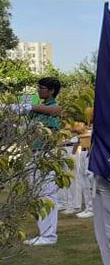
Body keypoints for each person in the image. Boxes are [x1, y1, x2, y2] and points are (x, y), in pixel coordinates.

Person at [24, 77, 63, 246]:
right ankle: (43, 232)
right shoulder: (39, 109)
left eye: (42, 88)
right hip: (34, 153)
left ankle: (48, 235)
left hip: (46, 154)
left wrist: (30, 106)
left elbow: (55, 115)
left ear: (51, 91)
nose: (39, 90)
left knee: (47, 194)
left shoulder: (53, 108)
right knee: (38, 194)